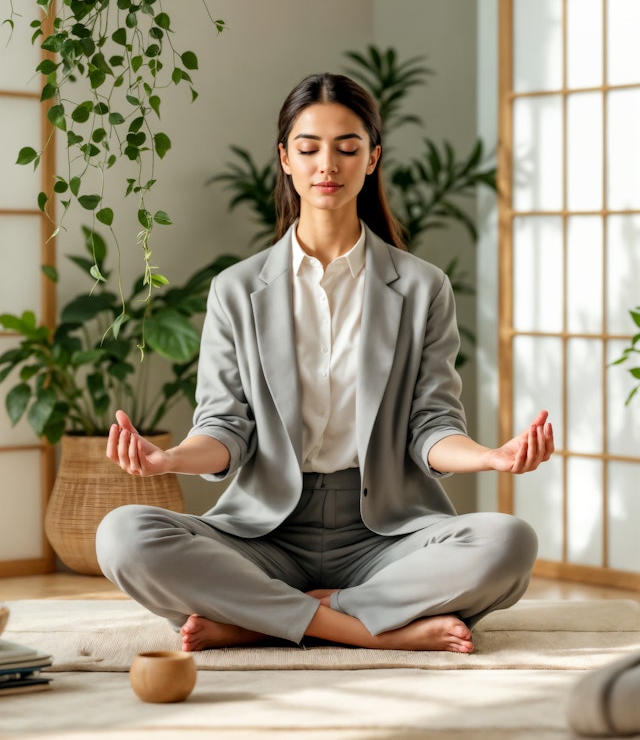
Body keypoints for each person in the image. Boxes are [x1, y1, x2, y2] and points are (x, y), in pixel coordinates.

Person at [96, 72, 554, 655]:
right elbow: (225, 428)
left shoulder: (421, 288)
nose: (327, 166)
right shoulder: (237, 290)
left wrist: (491, 457)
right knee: (123, 536)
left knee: (507, 542)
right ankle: (364, 629)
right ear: (285, 158)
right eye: (309, 148)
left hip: (385, 535)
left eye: (347, 148)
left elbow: (431, 427)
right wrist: (170, 458)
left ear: (373, 158)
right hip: (264, 534)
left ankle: (258, 620)